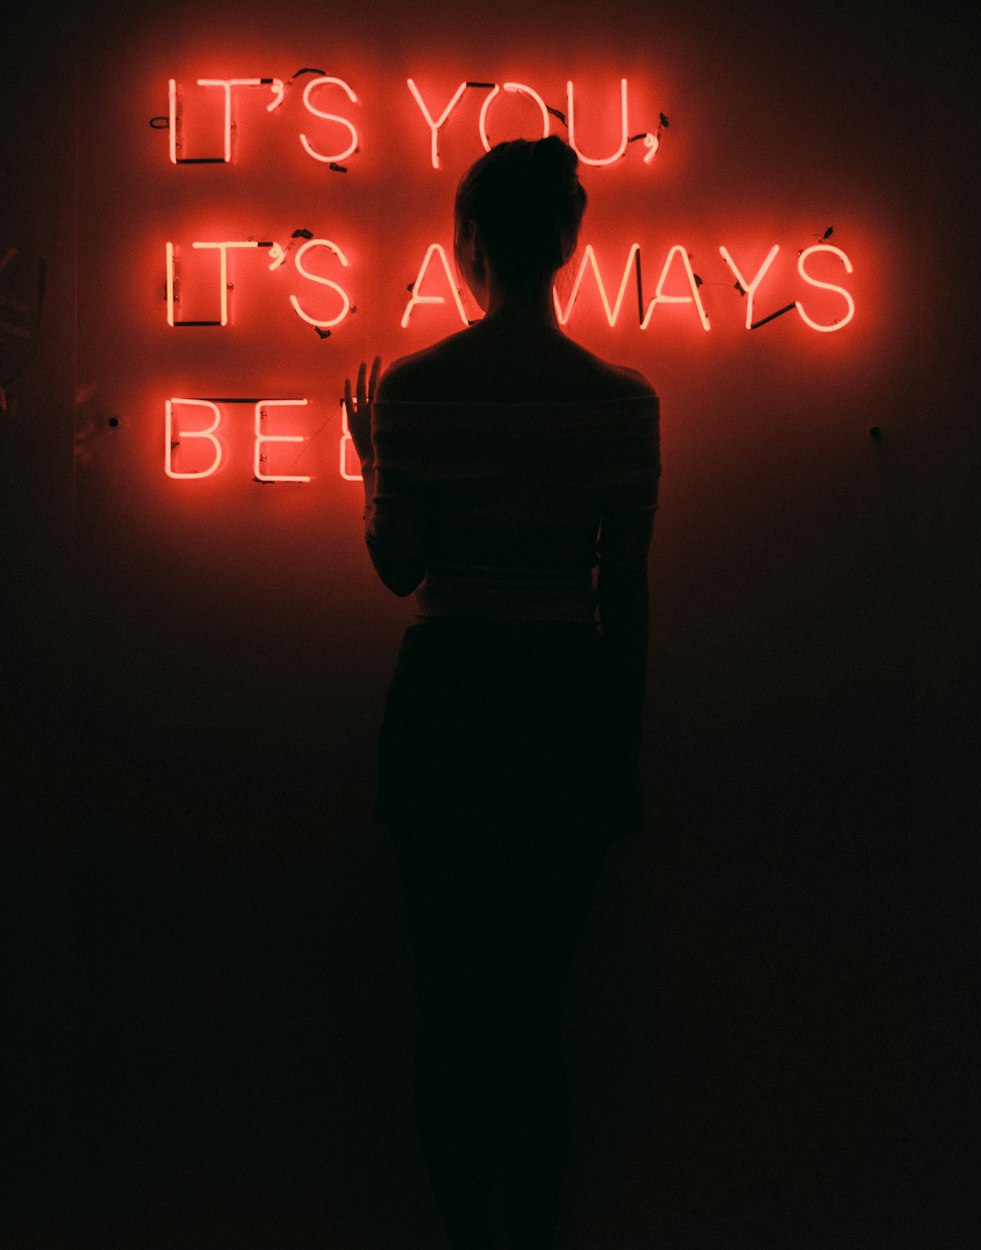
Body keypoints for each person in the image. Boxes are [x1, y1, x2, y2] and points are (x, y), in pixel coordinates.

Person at [345, 136, 660, 1250]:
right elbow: (620, 597)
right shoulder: (624, 405)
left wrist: (373, 460)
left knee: (449, 1005)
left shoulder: (419, 389)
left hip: (449, 704)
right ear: (569, 242)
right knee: (536, 1011)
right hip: (562, 702)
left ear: (466, 244)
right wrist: (615, 759)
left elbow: (401, 569)